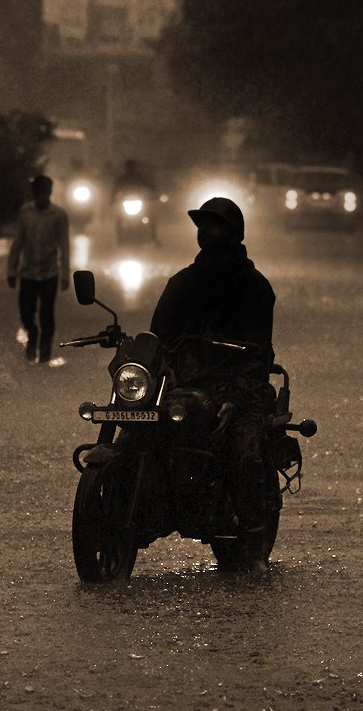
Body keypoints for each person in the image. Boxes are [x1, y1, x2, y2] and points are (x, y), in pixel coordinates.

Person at [149, 197, 276, 572]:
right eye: (203, 225)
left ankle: (253, 543)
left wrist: (236, 396)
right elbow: (157, 338)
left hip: (236, 387)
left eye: (215, 225)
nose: (207, 232)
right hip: (182, 388)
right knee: (137, 431)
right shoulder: (181, 283)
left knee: (244, 453)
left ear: (235, 234)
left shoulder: (255, 287)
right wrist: (156, 369)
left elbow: (259, 353)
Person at [7, 174, 71, 364]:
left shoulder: (59, 215)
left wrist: (65, 274)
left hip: (49, 273)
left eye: (44, 192)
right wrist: (11, 269)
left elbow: (64, 245)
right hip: (27, 272)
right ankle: (33, 336)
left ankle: (44, 352)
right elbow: (18, 241)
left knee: (47, 314)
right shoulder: (25, 212)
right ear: (34, 194)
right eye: (38, 193)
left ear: (49, 192)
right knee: (26, 311)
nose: (41, 196)